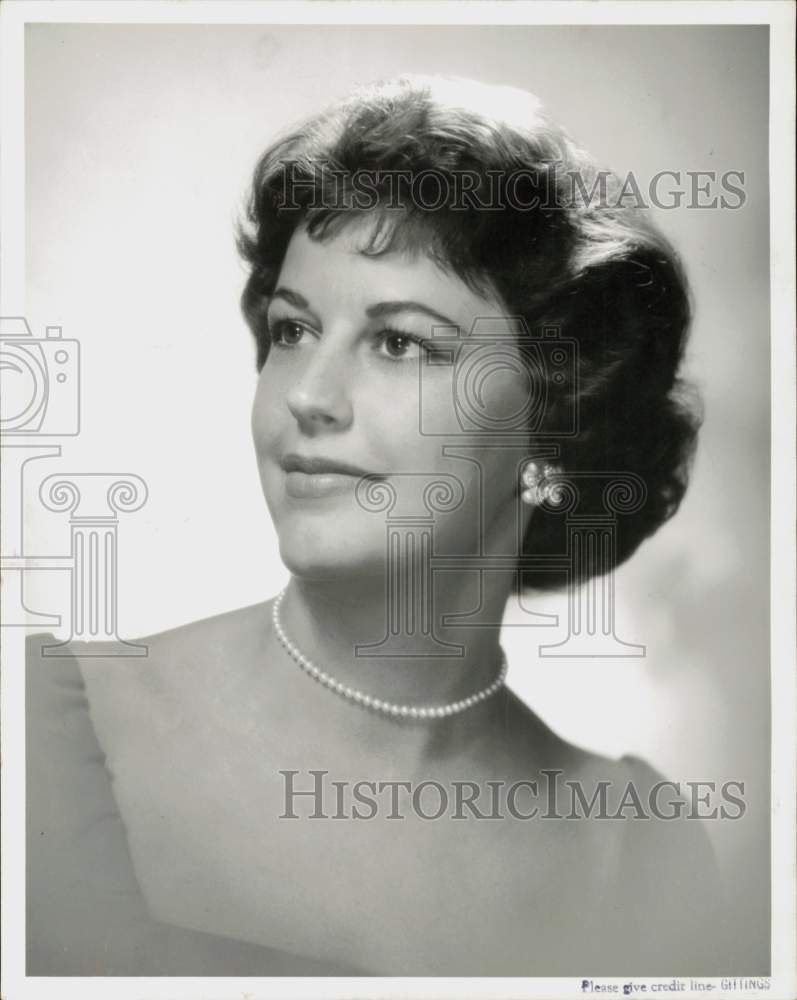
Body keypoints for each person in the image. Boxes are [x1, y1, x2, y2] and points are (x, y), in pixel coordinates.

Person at [27, 75, 728, 977]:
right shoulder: (46, 732)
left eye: (400, 343)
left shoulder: (637, 852)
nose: (309, 398)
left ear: (554, 425)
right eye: (292, 331)